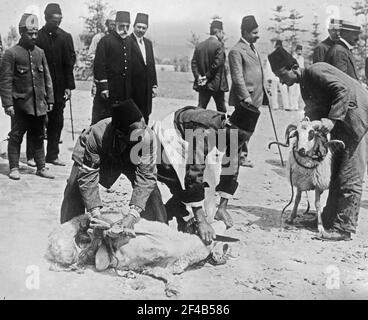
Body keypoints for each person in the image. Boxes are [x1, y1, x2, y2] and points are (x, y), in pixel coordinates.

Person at [268, 47, 368, 241]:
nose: (281, 81)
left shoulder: (316, 71)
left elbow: (343, 90)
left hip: (357, 120)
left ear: (294, 67)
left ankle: (343, 227)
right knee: (336, 172)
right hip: (343, 124)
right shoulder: (305, 84)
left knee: (349, 173)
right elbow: (316, 108)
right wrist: (305, 123)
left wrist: (331, 120)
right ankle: (328, 219)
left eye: (282, 75)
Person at [153, 105, 254, 244]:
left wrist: (222, 207)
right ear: (228, 125)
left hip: (190, 140)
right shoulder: (205, 131)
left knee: (208, 181)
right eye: (239, 136)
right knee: (180, 180)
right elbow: (194, 170)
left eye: (244, 139)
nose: (240, 141)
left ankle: (180, 211)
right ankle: (178, 214)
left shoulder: (234, 133)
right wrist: (201, 220)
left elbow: (232, 168)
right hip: (168, 136)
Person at [60, 99, 166, 227]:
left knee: (152, 193)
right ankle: (70, 230)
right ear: (121, 133)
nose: (143, 135)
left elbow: (147, 177)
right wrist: (96, 214)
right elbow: (88, 176)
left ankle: (159, 230)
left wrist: (132, 215)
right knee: (74, 187)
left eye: (144, 127)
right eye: (137, 133)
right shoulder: (97, 135)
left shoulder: (146, 137)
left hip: (130, 158)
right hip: (101, 154)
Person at [0, 14, 55, 180]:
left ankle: (41, 167)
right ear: (21, 33)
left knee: (38, 136)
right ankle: (14, 167)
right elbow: (5, 81)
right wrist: (8, 104)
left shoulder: (40, 53)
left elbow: (47, 78)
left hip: (38, 105)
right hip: (20, 105)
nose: (34, 37)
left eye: (36, 33)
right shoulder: (11, 54)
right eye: (30, 33)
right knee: (16, 135)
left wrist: (50, 100)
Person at [26, 3, 76, 167]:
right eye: (54, 21)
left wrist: (69, 86)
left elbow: (69, 63)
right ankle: (32, 155)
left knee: (57, 121)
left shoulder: (66, 37)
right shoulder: (37, 37)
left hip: (60, 87)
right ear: (46, 19)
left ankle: (52, 155)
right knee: (36, 121)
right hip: (39, 86)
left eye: (59, 21)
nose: (57, 24)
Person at [228, 15, 269, 168]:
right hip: (246, 99)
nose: (258, 36)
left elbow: (258, 71)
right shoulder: (236, 51)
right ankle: (235, 157)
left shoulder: (253, 48)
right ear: (245, 32)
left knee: (248, 129)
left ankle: (242, 156)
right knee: (240, 128)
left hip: (256, 97)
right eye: (254, 33)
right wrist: (245, 96)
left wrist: (265, 90)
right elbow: (237, 77)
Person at [93, 11, 132, 124]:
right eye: (122, 26)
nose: (124, 29)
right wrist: (104, 87)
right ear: (116, 25)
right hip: (109, 91)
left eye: (127, 26)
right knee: (103, 122)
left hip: (125, 91)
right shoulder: (105, 41)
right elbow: (99, 66)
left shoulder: (130, 42)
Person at [191, 20, 229, 113]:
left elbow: (194, 63)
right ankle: (221, 128)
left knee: (200, 109)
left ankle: (193, 127)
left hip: (203, 85)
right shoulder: (219, 45)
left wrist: (199, 77)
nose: (223, 35)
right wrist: (206, 77)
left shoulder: (200, 46)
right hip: (216, 85)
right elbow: (217, 64)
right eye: (222, 32)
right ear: (218, 32)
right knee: (221, 111)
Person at [130, 13, 158, 124]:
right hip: (133, 88)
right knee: (133, 117)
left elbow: (151, 65)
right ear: (134, 26)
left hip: (146, 89)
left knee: (145, 116)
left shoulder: (148, 43)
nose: (141, 30)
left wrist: (154, 85)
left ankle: (143, 139)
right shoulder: (127, 41)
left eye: (144, 28)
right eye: (139, 27)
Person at [88, 17, 116, 124]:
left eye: (115, 24)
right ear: (107, 24)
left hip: (113, 77)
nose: (113, 26)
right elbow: (90, 55)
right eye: (111, 24)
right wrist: (102, 57)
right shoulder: (98, 38)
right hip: (99, 76)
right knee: (98, 103)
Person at [264, 40, 289, 110]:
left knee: (284, 91)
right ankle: (275, 106)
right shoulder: (271, 56)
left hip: (282, 77)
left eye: (280, 47)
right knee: (273, 91)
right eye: (277, 47)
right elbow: (268, 67)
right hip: (274, 76)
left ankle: (286, 106)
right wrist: (268, 77)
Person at [288, 44, 304, 111]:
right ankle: (291, 106)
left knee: (297, 92)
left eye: (300, 50)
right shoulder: (292, 57)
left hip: (298, 77)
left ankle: (296, 105)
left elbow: (302, 68)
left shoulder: (302, 59)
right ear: (296, 50)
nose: (299, 52)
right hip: (293, 76)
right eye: (298, 50)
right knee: (291, 91)